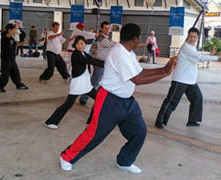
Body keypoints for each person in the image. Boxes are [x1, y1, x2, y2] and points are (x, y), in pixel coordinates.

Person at [59, 23, 177, 173]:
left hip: (127, 101)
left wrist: (165, 68)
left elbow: (140, 72)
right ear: (135, 39)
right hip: (109, 100)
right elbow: (138, 80)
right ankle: (66, 156)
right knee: (94, 134)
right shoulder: (119, 53)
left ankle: (125, 161)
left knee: (139, 132)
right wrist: (166, 74)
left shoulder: (129, 53)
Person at [155, 27, 221, 129]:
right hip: (180, 79)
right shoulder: (186, 47)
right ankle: (160, 121)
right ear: (187, 36)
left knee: (197, 98)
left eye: (194, 37)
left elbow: (197, 55)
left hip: (190, 80)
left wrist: (211, 54)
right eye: (190, 36)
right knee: (172, 101)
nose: (192, 39)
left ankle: (193, 121)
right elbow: (199, 58)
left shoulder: (192, 47)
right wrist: (217, 58)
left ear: (198, 37)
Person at [44, 36, 104, 129]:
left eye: (82, 44)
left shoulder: (83, 53)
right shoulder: (76, 54)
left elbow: (93, 59)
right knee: (68, 104)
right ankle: (51, 122)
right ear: (75, 45)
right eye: (77, 44)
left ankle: (92, 120)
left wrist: (106, 63)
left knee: (99, 99)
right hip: (78, 83)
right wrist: (106, 64)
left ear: (85, 44)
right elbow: (90, 61)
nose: (80, 46)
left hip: (86, 83)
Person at [79, 21, 116, 106]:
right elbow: (113, 45)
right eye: (106, 28)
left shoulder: (106, 38)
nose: (107, 30)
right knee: (94, 82)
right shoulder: (101, 38)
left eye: (108, 28)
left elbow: (113, 44)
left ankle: (99, 98)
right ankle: (83, 98)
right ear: (102, 29)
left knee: (101, 82)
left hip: (105, 64)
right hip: (100, 63)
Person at [0, 24, 29, 92]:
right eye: (13, 29)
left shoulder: (12, 37)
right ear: (9, 29)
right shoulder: (4, 35)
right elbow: (8, 35)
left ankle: (19, 84)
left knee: (15, 72)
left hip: (12, 58)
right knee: (5, 74)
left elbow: (15, 45)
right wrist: (16, 27)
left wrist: (22, 43)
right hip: (6, 58)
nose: (15, 30)